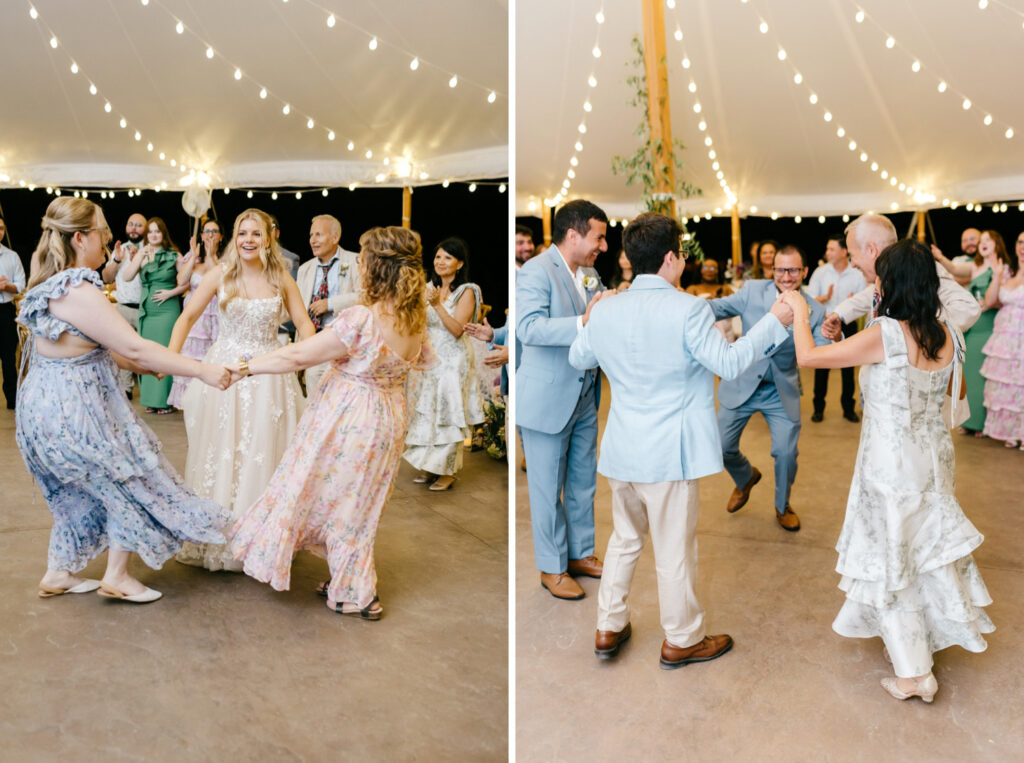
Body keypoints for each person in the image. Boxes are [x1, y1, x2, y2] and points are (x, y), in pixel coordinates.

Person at [569, 212, 793, 668]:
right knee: (674, 549)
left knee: (625, 539)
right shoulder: (688, 308)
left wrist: (588, 318)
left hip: (622, 450)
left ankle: (608, 626)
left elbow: (579, 357)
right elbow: (729, 364)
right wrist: (773, 321)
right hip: (669, 454)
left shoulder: (608, 307)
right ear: (672, 257)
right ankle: (683, 639)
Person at [782, 239, 993, 703]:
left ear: (891, 282)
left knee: (892, 561)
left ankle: (914, 674)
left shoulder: (886, 333)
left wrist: (799, 310)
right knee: (923, 556)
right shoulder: (947, 331)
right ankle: (925, 644)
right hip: (934, 464)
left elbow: (808, 358)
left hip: (889, 467)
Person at [15, 197, 231, 604]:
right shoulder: (79, 288)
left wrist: (146, 365)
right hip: (76, 413)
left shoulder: (51, 282)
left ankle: (58, 571)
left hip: (42, 413)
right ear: (80, 238)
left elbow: (93, 346)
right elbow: (135, 347)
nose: (109, 240)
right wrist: (200, 369)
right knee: (128, 475)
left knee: (75, 490)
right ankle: (117, 576)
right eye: (103, 233)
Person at [227, 226, 435, 619]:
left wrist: (244, 366)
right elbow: (421, 362)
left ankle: (356, 593)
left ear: (377, 268)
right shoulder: (415, 319)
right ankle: (347, 578)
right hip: (388, 417)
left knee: (331, 498)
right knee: (359, 503)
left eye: (364, 260)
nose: (360, 265)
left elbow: (297, 356)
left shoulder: (362, 319)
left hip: (351, 419)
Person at [169, 208, 314, 572]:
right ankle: (221, 538)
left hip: (269, 376)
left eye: (255, 233)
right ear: (235, 237)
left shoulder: (281, 277)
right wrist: (169, 359)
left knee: (266, 451)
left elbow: (303, 323)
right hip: (226, 374)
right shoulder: (220, 273)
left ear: (268, 238)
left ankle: (263, 539)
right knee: (224, 451)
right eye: (242, 233)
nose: (248, 239)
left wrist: (302, 357)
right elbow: (187, 317)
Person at [517, 199, 608, 600]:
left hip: (585, 393)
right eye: (598, 237)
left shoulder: (589, 273)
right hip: (547, 397)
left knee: (583, 481)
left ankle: (580, 553)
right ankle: (551, 567)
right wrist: (583, 322)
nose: (603, 246)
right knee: (546, 486)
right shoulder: (536, 270)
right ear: (573, 235)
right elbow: (528, 328)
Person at [709, 246, 829, 532]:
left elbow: (822, 350)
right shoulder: (751, 291)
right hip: (742, 383)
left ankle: (782, 506)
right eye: (780, 270)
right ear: (771, 270)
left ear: (804, 272)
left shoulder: (816, 309)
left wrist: (834, 336)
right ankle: (745, 477)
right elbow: (717, 308)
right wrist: (676, 301)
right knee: (720, 447)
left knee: (786, 453)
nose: (786, 276)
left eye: (792, 270)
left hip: (780, 389)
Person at [403, 237, 484, 491]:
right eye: (438, 257)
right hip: (430, 358)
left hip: (453, 359)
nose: (440, 261)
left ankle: (447, 471)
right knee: (428, 412)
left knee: (449, 414)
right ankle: (430, 467)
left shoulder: (467, 290)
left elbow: (457, 330)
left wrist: (436, 305)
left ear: (459, 264)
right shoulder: (428, 287)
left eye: (447, 257)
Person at [822, 214, 980, 343]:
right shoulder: (882, 279)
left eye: (853, 255)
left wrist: (916, 323)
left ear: (871, 250)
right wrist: (838, 314)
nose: (853, 264)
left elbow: (968, 308)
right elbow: (864, 299)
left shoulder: (921, 267)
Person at [932, 230, 1011, 435]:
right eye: (981, 240)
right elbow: (955, 269)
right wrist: (939, 256)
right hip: (975, 326)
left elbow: (998, 299)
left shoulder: (1004, 268)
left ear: (997, 244)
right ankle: (971, 422)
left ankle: (986, 424)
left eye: (987, 240)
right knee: (972, 373)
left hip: (992, 325)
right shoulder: (975, 267)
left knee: (988, 375)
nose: (982, 243)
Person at [119, 217, 189, 413]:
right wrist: (140, 256)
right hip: (147, 309)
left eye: (157, 231)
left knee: (166, 351)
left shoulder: (174, 255)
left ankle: (165, 401)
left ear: (163, 233)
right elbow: (127, 276)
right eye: (150, 232)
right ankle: (150, 400)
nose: (153, 235)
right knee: (148, 353)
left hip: (167, 309)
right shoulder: (143, 253)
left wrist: (170, 293)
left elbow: (186, 282)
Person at [296, 214, 361, 392]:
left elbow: (367, 296)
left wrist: (331, 303)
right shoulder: (304, 269)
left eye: (318, 235)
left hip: (347, 346)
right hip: (315, 345)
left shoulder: (356, 262)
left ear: (335, 237)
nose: (312, 240)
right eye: (311, 235)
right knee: (314, 402)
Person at [806, 234, 866, 422]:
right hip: (824, 323)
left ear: (844, 251)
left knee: (848, 369)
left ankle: (848, 408)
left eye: (832, 249)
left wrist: (850, 306)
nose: (828, 252)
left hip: (848, 324)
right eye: (828, 249)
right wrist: (823, 299)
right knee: (821, 368)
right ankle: (818, 408)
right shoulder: (820, 272)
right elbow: (809, 300)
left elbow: (864, 301)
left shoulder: (857, 274)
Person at [167, 221, 223, 409]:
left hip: (215, 319)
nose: (210, 235)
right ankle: (191, 404)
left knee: (211, 360)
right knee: (191, 361)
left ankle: (211, 403)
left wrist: (211, 255)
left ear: (221, 237)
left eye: (214, 231)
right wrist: (193, 256)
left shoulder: (225, 262)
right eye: (206, 231)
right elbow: (181, 279)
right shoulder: (194, 260)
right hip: (195, 320)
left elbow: (223, 284)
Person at [980, 233, 1024, 447]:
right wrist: (997, 277)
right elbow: (989, 301)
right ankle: (1010, 430)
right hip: (1005, 336)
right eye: (1020, 242)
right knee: (1006, 384)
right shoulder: (1007, 271)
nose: (1023, 247)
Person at [103, 213, 147, 398]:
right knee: (122, 350)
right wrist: (117, 260)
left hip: (145, 309)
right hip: (122, 308)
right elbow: (107, 278)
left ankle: (148, 392)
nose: (134, 228)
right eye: (131, 224)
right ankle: (125, 390)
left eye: (139, 225)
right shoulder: (119, 250)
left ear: (145, 229)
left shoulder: (150, 249)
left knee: (145, 352)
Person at [0, 215, 26, 410]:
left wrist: (6, 287)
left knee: (8, 357)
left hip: (5, 311)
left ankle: (13, 400)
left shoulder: (12, 256)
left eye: (1, 228)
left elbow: (20, 285)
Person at [685, 258, 735, 340]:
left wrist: (720, 302)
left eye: (712, 268)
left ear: (717, 271)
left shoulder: (725, 288)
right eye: (705, 268)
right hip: (700, 332)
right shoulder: (693, 288)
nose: (709, 271)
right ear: (700, 270)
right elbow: (686, 307)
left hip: (725, 334)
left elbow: (736, 306)